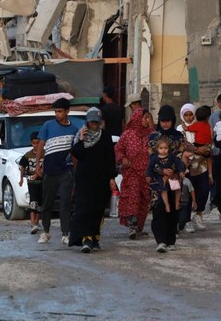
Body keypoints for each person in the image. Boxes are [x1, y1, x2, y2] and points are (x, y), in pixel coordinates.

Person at [67, 107, 117, 253]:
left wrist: (111, 177)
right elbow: (76, 154)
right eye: (92, 122)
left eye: (96, 122)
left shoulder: (105, 136)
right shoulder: (81, 135)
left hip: (100, 180)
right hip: (84, 179)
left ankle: (95, 238)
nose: (94, 125)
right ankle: (86, 239)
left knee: (97, 209)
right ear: (87, 122)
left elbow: (110, 158)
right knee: (84, 209)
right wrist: (81, 140)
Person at [34, 98, 81, 245]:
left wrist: (76, 171)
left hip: (66, 171)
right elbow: (41, 145)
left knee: (65, 203)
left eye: (60, 111)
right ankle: (45, 232)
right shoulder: (48, 125)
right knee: (47, 203)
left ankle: (65, 234)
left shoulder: (74, 130)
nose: (57, 114)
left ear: (67, 111)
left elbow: (74, 154)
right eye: (55, 111)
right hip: (50, 171)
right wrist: (38, 165)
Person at [148, 105, 185, 252]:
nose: (165, 124)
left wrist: (172, 171)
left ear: (173, 120)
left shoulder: (179, 136)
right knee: (159, 208)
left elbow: (180, 157)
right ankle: (161, 241)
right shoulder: (153, 137)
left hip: (174, 178)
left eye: (168, 120)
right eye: (162, 120)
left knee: (174, 208)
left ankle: (171, 240)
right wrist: (162, 171)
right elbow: (151, 158)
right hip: (157, 180)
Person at [114, 108, 154, 239]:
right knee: (133, 196)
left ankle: (139, 228)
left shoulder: (151, 135)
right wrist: (123, 159)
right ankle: (132, 226)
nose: (147, 120)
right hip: (131, 172)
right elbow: (118, 150)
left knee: (144, 199)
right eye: (145, 118)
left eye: (148, 118)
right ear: (137, 119)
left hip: (146, 174)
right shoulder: (127, 135)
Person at [180, 104, 213, 230]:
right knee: (187, 194)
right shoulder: (180, 130)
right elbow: (183, 147)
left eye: (191, 115)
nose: (188, 117)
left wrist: (210, 173)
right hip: (187, 168)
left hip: (202, 167)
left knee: (204, 191)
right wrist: (199, 150)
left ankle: (198, 215)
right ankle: (186, 220)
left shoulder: (205, 127)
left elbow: (209, 150)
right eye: (186, 115)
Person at [147, 138, 184, 213]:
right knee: (163, 190)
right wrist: (148, 176)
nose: (163, 150)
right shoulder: (155, 158)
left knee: (177, 187)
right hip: (160, 176)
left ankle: (177, 202)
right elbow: (150, 167)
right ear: (157, 149)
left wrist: (181, 172)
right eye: (161, 148)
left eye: (165, 148)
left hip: (171, 174)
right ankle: (167, 205)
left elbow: (178, 163)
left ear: (169, 148)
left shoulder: (171, 156)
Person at [18, 132, 43, 235]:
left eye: (38, 143)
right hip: (32, 182)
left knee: (40, 202)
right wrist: (21, 179)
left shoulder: (45, 154)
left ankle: (36, 222)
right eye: (33, 143)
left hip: (42, 182)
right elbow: (23, 167)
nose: (35, 145)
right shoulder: (28, 155)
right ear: (31, 143)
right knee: (33, 201)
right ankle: (33, 223)